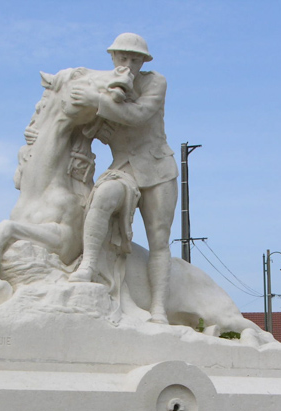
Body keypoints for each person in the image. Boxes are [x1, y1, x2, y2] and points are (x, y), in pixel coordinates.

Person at [69, 33, 178, 324]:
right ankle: (89, 266)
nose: (129, 63)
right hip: (124, 168)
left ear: (143, 61)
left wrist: (98, 101)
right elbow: (78, 122)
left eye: (135, 58)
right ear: (113, 57)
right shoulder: (102, 85)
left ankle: (158, 309)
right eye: (123, 57)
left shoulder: (154, 82)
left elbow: (139, 114)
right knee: (103, 197)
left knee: (159, 240)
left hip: (158, 169)